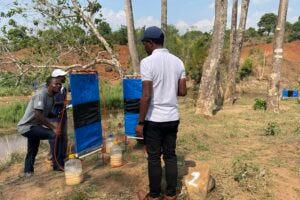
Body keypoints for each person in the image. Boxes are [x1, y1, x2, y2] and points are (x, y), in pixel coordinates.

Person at [136, 26, 187, 200]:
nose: (144, 47)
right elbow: (182, 91)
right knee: (171, 156)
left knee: (154, 158)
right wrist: (168, 86)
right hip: (172, 117)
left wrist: (140, 122)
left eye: (144, 43)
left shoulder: (147, 62)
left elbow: (146, 95)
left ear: (151, 43)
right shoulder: (178, 62)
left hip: (154, 119)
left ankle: (155, 195)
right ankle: (171, 194)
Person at [17, 77, 64, 177]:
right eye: (56, 84)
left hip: (34, 126)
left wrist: (57, 114)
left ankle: (28, 171)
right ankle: (58, 165)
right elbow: (38, 115)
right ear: (49, 85)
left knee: (33, 148)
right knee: (54, 135)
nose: (58, 86)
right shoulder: (41, 95)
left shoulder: (52, 97)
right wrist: (53, 127)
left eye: (60, 84)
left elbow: (46, 113)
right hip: (27, 127)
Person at [47, 69, 68, 163]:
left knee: (63, 137)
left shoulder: (63, 88)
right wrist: (62, 103)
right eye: (62, 76)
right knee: (55, 139)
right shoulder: (51, 88)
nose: (64, 78)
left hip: (63, 116)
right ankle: (53, 158)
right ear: (57, 78)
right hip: (53, 118)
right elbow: (51, 102)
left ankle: (62, 157)